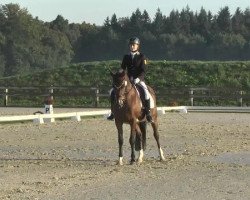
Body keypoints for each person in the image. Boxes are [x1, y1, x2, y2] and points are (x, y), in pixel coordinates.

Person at [107, 37, 153, 122]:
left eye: (133, 45)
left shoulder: (142, 57)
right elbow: (122, 68)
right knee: (112, 91)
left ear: (137, 46)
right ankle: (113, 112)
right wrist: (118, 73)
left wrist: (138, 79)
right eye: (131, 45)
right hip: (127, 80)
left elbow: (144, 71)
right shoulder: (126, 56)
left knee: (146, 93)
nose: (132, 46)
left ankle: (148, 112)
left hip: (138, 80)